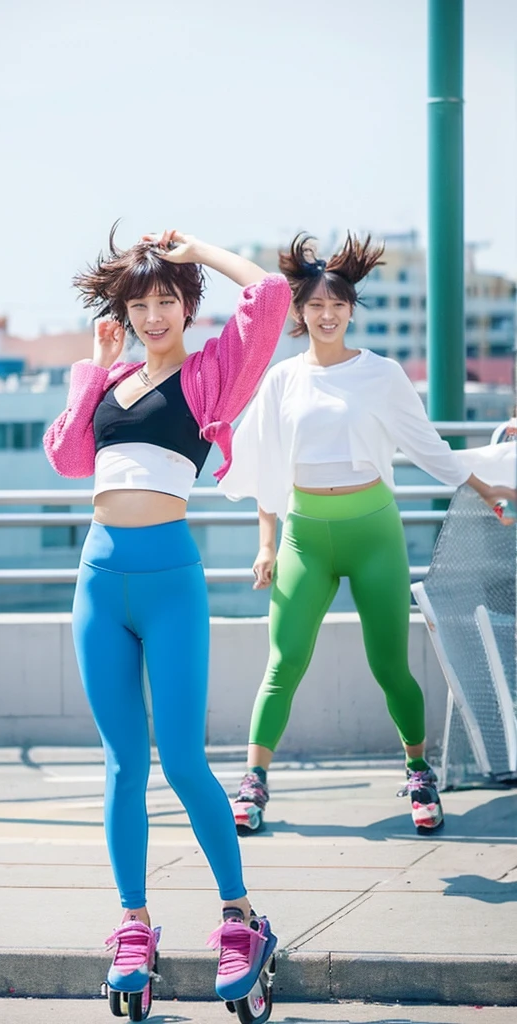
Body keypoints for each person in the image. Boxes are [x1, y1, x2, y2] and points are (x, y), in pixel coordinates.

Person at [43, 227, 290, 1002]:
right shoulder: (109, 381)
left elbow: (272, 297)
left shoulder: (209, 376)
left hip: (170, 582)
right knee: (123, 765)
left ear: (187, 308)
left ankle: (241, 916)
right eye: (140, 304)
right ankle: (134, 922)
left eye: (167, 302)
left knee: (182, 761)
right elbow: (67, 459)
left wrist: (198, 251)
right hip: (97, 581)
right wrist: (92, 362)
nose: (153, 316)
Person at [219, 232, 517, 835]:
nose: (327, 315)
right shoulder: (281, 380)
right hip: (305, 534)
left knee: (390, 666)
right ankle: (253, 783)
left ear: (352, 309)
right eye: (316, 306)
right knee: (283, 663)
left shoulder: (380, 374)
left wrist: (484, 486)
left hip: (373, 530)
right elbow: (269, 469)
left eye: (339, 305)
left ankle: (417, 771)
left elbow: (424, 441)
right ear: (300, 313)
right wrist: (267, 544)